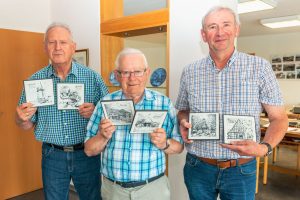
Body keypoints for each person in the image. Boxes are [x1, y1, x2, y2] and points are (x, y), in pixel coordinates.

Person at [175, 6, 288, 200]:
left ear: (237, 29)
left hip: (241, 170)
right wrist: (184, 123)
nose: (220, 32)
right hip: (198, 167)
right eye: (212, 27)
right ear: (204, 35)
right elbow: (183, 110)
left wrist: (264, 148)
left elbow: (279, 118)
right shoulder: (190, 72)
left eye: (226, 25)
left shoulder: (260, 68)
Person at [15, 22, 108, 200]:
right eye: (52, 42)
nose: (57, 47)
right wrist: (20, 118)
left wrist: (96, 111)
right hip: (52, 155)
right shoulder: (34, 81)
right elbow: (25, 124)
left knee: (92, 197)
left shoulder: (93, 78)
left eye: (63, 42)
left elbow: (110, 116)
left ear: (73, 47)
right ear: (45, 48)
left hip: (87, 154)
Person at [84, 48, 183, 200]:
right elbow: (89, 150)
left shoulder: (163, 103)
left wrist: (164, 143)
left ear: (147, 72)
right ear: (117, 75)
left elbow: (179, 147)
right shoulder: (105, 103)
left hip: (153, 189)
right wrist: (102, 137)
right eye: (125, 72)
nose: (132, 78)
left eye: (138, 71)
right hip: (113, 191)